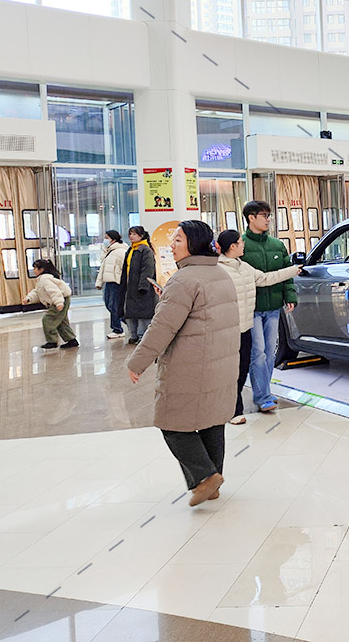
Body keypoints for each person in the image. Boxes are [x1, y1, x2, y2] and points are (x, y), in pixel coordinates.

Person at [127, 220, 239, 506]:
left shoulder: (183, 280)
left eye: (178, 240)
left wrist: (137, 361)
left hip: (191, 365)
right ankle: (212, 483)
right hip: (221, 363)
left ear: (194, 244)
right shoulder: (221, 274)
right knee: (212, 422)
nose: (172, 245)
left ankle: (205, 477)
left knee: (172, 423)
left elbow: (162, 327)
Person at [217, 229, 301, 425]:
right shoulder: (219, 270)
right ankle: (234, 410)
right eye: (240, 242)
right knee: (233, 370)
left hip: (246, 327)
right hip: (229, 329)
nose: (244, 245)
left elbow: (265, 278)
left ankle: (250, 400)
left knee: (244, 367)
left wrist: (292, 271)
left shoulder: (244, 267)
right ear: (233, 246)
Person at [241, 201, 297, 414]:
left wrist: (289, 296)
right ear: (251, 217)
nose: (268, 219)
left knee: (270, 353)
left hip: (273, 308)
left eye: (269, 215)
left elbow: (286, 272)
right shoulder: (242, 245)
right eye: (264, 215)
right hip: (252, 308)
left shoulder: (277, 245)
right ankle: (262, 397)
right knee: (258, 353)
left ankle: (265, 390)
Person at [22, 259, 78, 349]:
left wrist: (59, 303)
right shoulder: (42, 279)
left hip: (60, 300)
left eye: (35, 268)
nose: (34, 270)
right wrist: (29, 298)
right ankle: (72, 340)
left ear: (41, 269)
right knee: (61, 321)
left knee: (48, 319)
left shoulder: (44, 279)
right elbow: (37, 291)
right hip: (61, 299)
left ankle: (52, 341)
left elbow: (54, 291)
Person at [119, 225, 158, 344]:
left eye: (134, 234)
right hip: (130, 287)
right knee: (130, 313)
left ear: (141, 236)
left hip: (141, 288)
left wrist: (143, 286)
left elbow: (147, 269)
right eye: (130, 234)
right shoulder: (131, 250)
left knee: (143, 314)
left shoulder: (145, 250)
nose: (131, 236)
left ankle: (142, 336)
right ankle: (133, 335)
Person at [95, 230, 128, 339]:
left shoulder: (121, 251)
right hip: (109, 282)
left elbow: (124, 268)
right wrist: (99, 283)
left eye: (107, 238)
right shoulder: (110, 251)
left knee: (114, 306)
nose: (105, 240)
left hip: (116, 283)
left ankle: (117, 329)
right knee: (109, 305)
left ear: (113, 239)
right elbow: (103, 269)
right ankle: (129, 323)